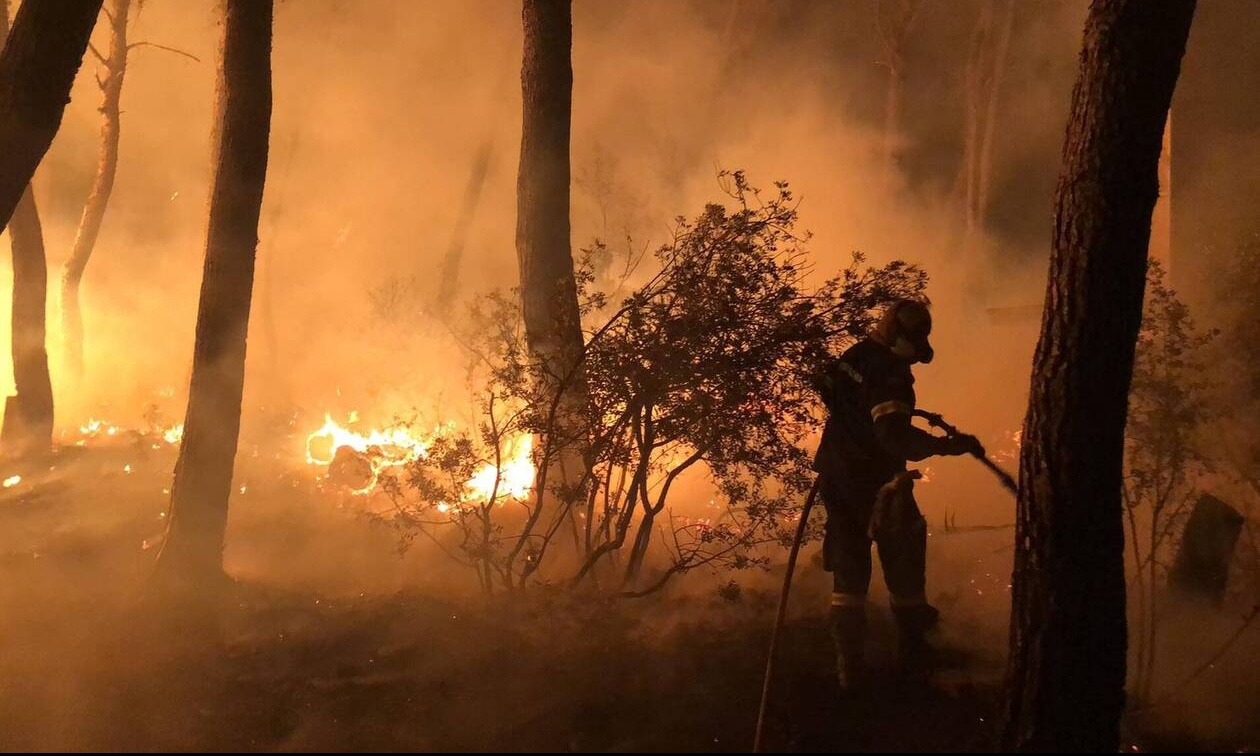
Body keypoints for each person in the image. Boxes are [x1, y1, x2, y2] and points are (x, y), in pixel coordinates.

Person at [812, 299, 981, 689]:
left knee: (849, 568)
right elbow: (895, 437)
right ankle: (914, 653)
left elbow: (827, 388)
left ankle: (849, 667)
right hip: (877, 483)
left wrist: (852, 427)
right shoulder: (889, 373)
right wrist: (948, 446)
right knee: (904, 557)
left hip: (836, 475)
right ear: (897, 333)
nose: (918, 348)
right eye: (915, 338)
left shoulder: (856, 354)